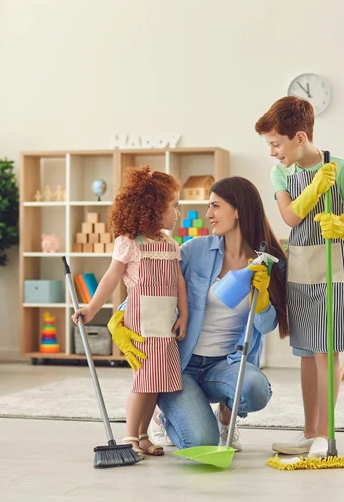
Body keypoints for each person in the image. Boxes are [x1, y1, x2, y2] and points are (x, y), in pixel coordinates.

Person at [106, 176, 288, 451]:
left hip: (226, 365)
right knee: (202, 442)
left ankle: (226, 418)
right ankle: (168, 416)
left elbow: (266, 325)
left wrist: (261, 298)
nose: (209, 214)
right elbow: (155, 289)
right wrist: (120, 317)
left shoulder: (268, 260)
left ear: (237, 209)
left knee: (255, 389)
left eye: (215, 206)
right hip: (182, 365)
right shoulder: (195, 250)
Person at [255, 96, 344, 458]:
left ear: (300, 136)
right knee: (306, 351)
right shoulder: (281, 173)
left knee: (326, 351)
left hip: (334, 269)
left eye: (276, 143)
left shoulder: (339, 168)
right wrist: (314, 189)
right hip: (301, 267)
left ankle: (325, 434)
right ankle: (310, 433)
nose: (273, 152)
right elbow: (290, 218)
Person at [71, 165, 188, 458]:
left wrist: (183, 315)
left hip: (164, 323)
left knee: (157, 382)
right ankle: (129, 435)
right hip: (141, 323)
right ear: (152, 209)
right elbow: (111, 277)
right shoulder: (129, 243)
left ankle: (144, 434)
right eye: (173, 206)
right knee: (143, 380)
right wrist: (92, 307)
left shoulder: (171, 245)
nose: (178, 212)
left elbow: (179, 283)